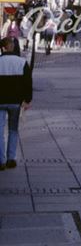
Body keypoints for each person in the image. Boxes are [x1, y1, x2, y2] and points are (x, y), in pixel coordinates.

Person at [0, 35, 32, 169]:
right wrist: (27, 100)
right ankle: (11, 158)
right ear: (13, 47)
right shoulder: (22, 62)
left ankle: (1, 161)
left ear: (2, 48)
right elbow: (28, 83)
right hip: (16, 102)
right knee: (13, 130)